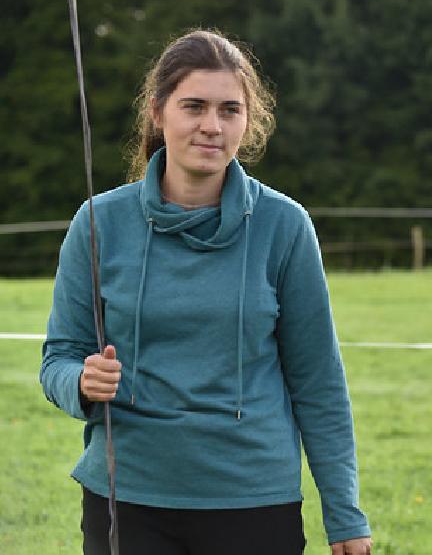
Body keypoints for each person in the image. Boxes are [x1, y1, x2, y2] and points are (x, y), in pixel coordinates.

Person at [40, 29, 372, 555]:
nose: (211, 126)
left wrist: (345, 516)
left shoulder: (284, 226)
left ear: (248, 120)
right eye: (193, 106)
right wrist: (81, 381)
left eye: (229, 110)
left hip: (254, 503)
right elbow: (56, 359)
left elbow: (318, 382)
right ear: (158, 112)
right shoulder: (99, 223)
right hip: (127, 501)